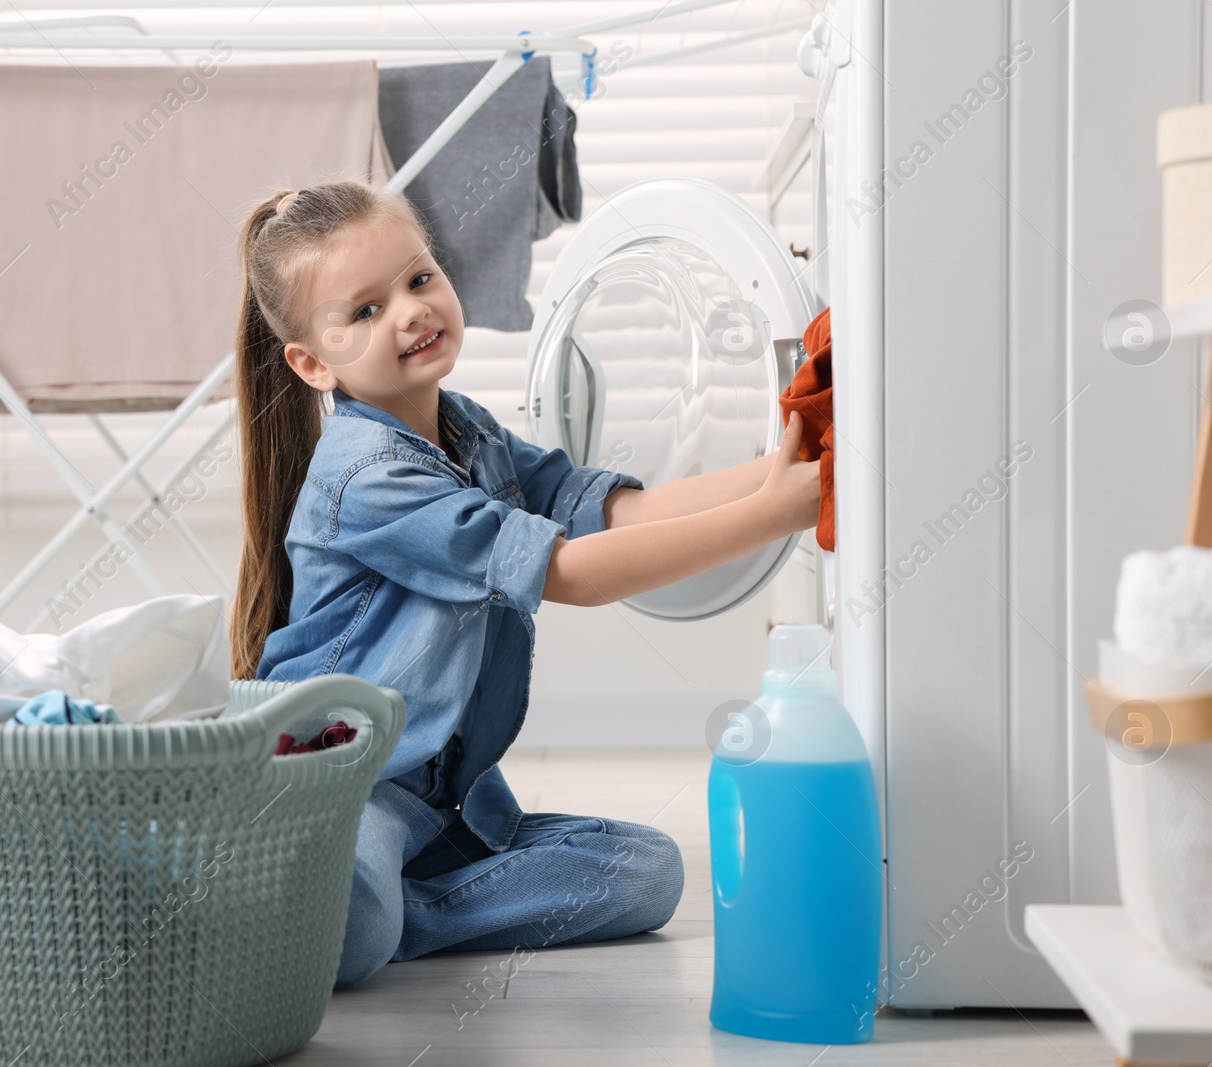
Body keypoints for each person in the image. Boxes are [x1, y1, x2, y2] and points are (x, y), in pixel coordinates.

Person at [230, 180, 821, 989]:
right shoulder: (366, 476)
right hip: (340, 791)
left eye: (418, 278)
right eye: (363, 311)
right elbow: (570, 572)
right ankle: (376, 909)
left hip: (445, 804)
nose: (409, 311)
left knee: (647, 872)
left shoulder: (466, 427)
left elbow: (616, 512)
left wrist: (786, 474)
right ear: (311, 362)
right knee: (356, 928)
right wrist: (776, 514)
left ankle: (402, 905)